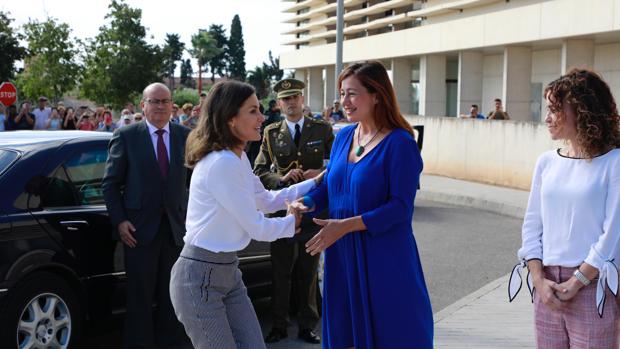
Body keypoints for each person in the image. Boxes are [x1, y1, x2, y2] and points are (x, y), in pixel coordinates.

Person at [292, 61, 434, 348]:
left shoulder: (400, 144)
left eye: (352, 94)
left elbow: (400, 208)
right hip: (342, 256)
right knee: (346, 337)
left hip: (384, 257)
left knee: (390, 335)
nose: (344, 101)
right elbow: (332, 186)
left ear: (377, 94)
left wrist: (346, 226)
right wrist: (305, 202)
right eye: (342, 94)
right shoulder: (343, 136)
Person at [169, 80, 320, 349]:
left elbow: (266, 199)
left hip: (228, 274)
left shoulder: (236, 158)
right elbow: (257, 226)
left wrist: (318, 183)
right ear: (230, 119)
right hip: (200, 279)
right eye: (253, 111)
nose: (262, 117)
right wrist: (295, 221)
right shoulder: (222, 163)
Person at [510, 69, 620, 348]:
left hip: (593, 287)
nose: (547, 117)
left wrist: (577, 281)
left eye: (555, 109)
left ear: (582, 111)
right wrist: (538, 279)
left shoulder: (614, 162)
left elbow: (613, 235)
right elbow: (532, 226)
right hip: (546, 288)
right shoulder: (546, 162)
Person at [102, 82, 191, 349]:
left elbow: (195, 182)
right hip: (138, 233)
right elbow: (110, 183)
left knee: (173, 296)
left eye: (166, 101)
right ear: (143, 105)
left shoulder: (185, 135)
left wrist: (191, 216)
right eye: (155, 101)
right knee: (139, 298)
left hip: (176, 231)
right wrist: (120, 220)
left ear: (172, 106)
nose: (161, 106)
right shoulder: (127, 136)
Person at [254, 78, 334, 345]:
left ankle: (307, 325)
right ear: (279, 104)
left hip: (314, 211)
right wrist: (282, 178)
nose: (290, 103)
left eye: (295, 97)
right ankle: (279, 325)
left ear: (302, 99)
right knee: (281, 271)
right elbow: (260, 171)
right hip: (283, 213)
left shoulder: (322, 129)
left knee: (308, 272)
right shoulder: (270, 132)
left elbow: (338, 163)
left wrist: (319, 173)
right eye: (285, 99)